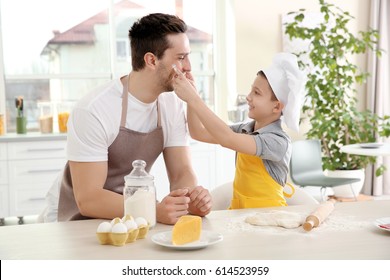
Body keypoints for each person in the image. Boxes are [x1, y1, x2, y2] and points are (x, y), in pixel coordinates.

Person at [55, 13, 212, 224]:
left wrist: (189, 199)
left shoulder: (171, 103)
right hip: (85, 221)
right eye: (181, 57)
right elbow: (89, 199)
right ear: (151, 60)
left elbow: (181, 172)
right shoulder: (94, 109)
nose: (188, 66)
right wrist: (153, 211)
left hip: (139, 216)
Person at [172, 53, 306, 209]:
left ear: (276, 106)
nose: (248, 97)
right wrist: (191, 99)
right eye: (251, 91)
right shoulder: (244, 129)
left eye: (257, 93)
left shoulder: (278, 141)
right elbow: (198, 132)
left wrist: (194, 98)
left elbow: (227, 139)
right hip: (238, 214)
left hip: (270, 218)